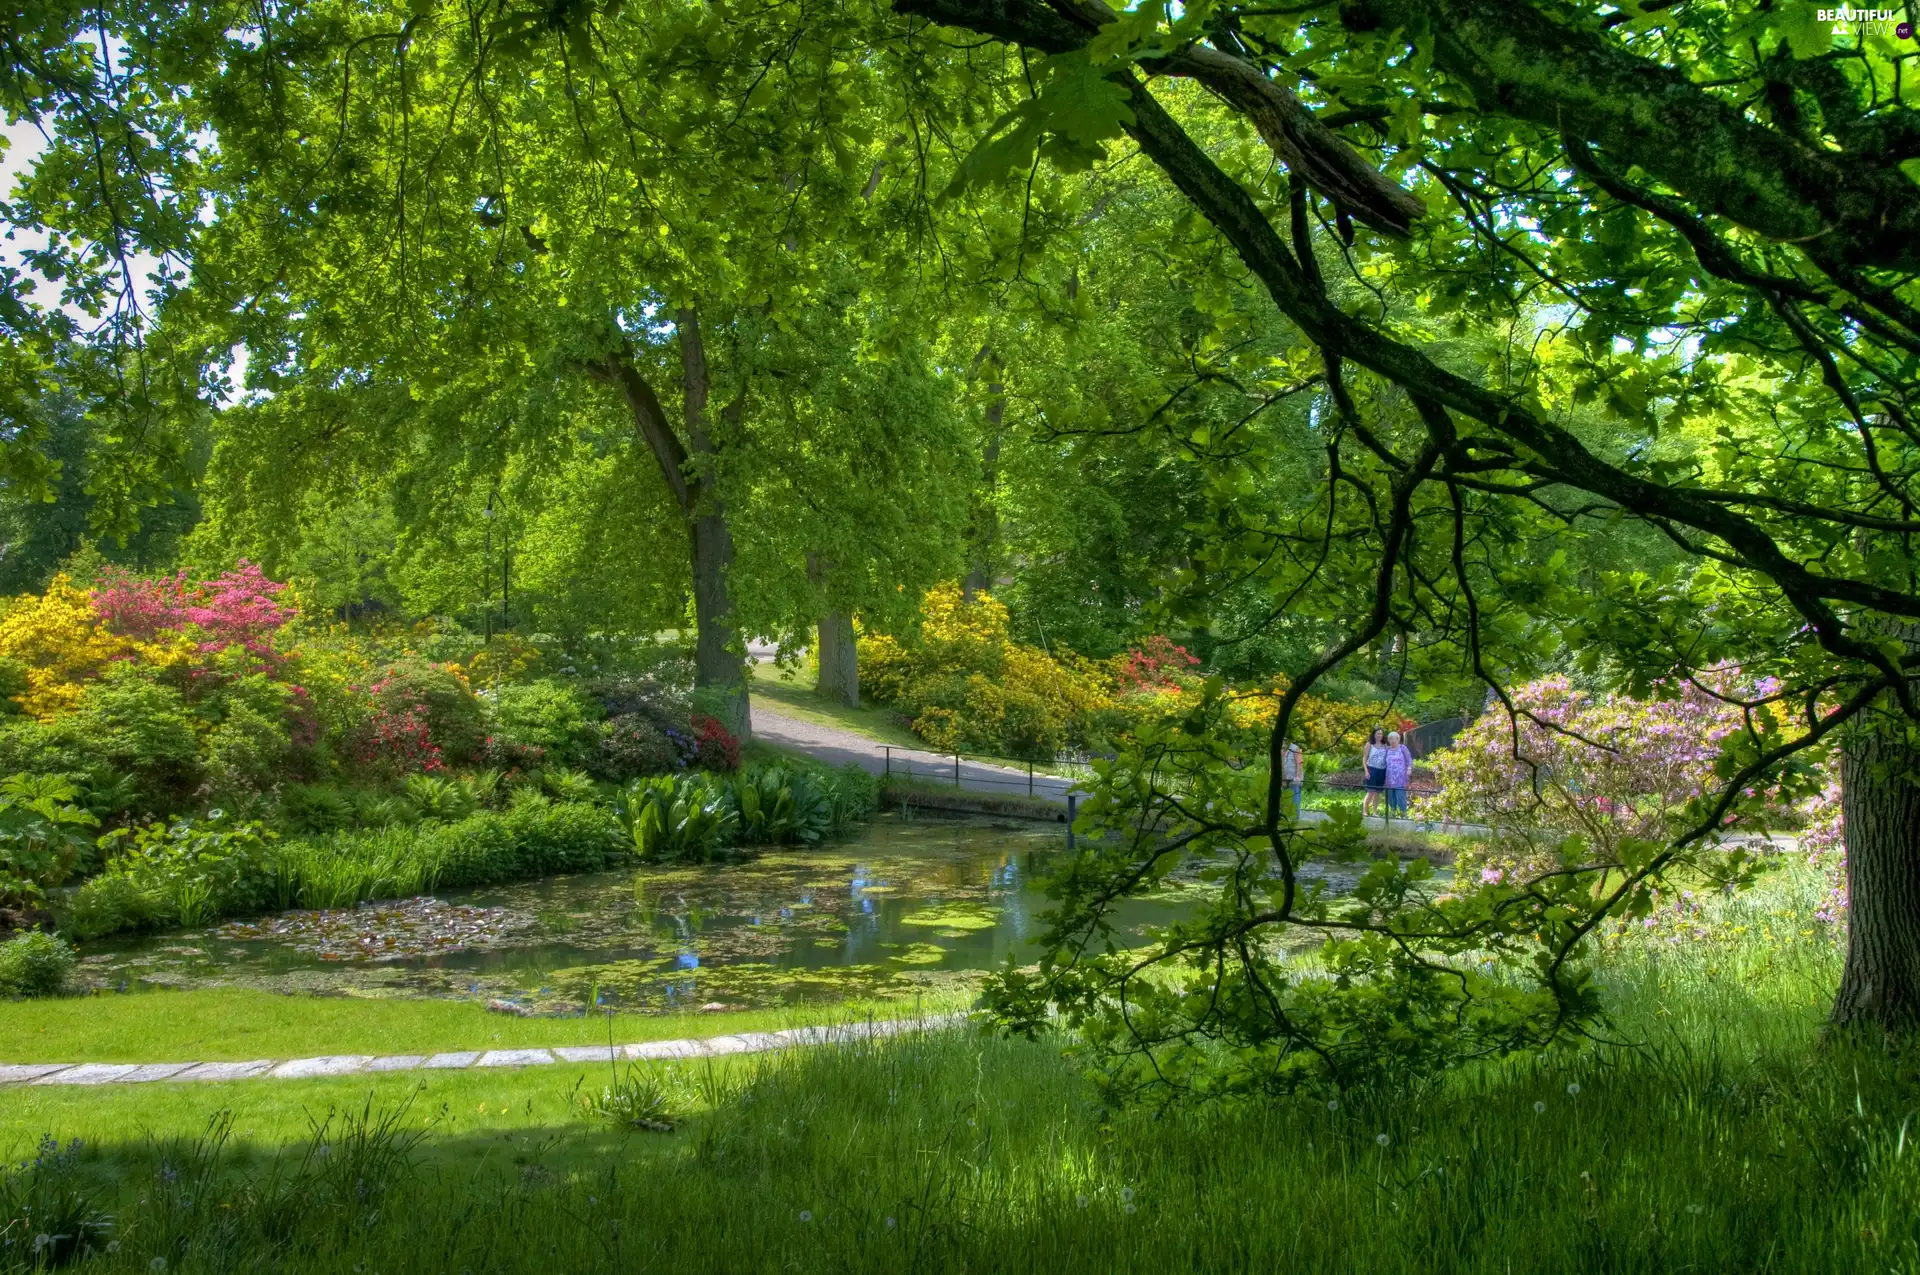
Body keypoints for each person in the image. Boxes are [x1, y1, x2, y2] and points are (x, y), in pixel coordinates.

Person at [1383, 730, 1415, 820]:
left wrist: (1409, 768)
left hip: (1400, 777)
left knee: (1400, 795)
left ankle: (1404, 813)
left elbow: (1409, 759)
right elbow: (1383, 762)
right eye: (1390, 739)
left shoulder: (1402, 748)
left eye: (1394, 739)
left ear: (1398, 739)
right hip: (1389, 777)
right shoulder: (1387, 750)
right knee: (1390, 795)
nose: (1392, 741)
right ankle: (1392, 812)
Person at [1362, 728, 1388, 817]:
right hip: (1371, 769)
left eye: (1381, 734)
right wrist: (1366, 771)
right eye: (1378, 734)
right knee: (1371, 791)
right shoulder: (1369, 745)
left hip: (1382, 770)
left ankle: (1375, 812)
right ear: (1374, 734)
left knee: (1378, 793)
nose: (1379, 735)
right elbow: (1364, 758)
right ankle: (1365, 811)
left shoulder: (1385, 745)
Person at [1281, 741, 1305, 817]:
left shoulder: (1295, 748)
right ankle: (1285, 818)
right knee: (1284, 800)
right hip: (1283, 780)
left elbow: (1299, 763)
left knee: (1295, 800)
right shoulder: (1280, 748)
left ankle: (1295, 818)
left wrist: (1297, 777)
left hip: (1294, 781)